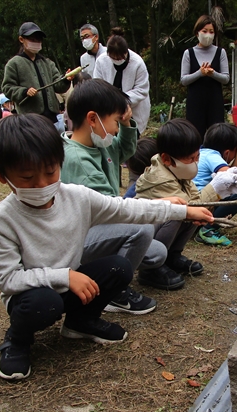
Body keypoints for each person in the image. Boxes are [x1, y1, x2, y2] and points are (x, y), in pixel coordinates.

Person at [0, 113, 213, 380]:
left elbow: (126, 208)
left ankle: (81, 322)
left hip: (73, 281)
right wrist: (65, 276)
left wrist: (181, 212)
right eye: (27, 178)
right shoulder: (4, 218)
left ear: (60, 162)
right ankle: (18, 340)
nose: (42, 185)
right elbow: (7, 278)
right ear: (1, 176)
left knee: (119, 268)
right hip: (32, 294)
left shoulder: (75, 197)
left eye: (50, 172)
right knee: (43, 302)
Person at [61, 79, 178, 313]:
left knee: (157, 252)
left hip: (102, 227)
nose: (116, 129)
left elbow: (126, 149)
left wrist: (126, 122)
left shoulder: (100, 143)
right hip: (80, 238)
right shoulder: (77, 159)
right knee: (142, 229)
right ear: (93, 119)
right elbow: (110, 210)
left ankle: (107, 268)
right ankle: (113, 291)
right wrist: (160, 204)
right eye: (115, 121)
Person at [135, 118, 237, 281]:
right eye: (190, 159)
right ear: (167, 159)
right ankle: (151, 267)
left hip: (156, 231)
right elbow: (189, 207)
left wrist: (221, 192)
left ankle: (172, 256)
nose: (195, 162)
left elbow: (196, 201)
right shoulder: (160, 178)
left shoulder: (178, 171)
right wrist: (215, 188)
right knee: (178, 212)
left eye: (197, 156)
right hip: (142, 238)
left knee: (190, 213)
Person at [1, 22, 74, 134]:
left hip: (52, 118)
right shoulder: (14, 63)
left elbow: (57, 86)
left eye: (38, 40)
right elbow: (7, 87)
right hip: (30, 120)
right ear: (21, 39)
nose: (36, 43)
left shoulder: (47, 63)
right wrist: (24, 91)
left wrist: (65, 79)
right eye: (32, 39)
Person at [93, 27, 150, 135]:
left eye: (119, 58)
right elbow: (98, 86)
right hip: (109, 110)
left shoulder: (137, 63)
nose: (116, 60)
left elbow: (141, 89)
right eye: (113, 58)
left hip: (133, 110)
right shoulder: (101, 61)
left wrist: (121, 101)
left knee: (131, 140)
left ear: (126, 52)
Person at [181, 15, 230, 139]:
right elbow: (184, 80)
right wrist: (200, 73)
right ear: (197, 32)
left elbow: (226, 78)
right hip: (195, 103)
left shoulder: (220, 52)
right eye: (204, 31)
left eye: (211, 32)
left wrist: (212, 73)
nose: (208, 34)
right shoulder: (189, 53)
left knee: (217, 136)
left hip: (215, 101)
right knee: (195, 137)